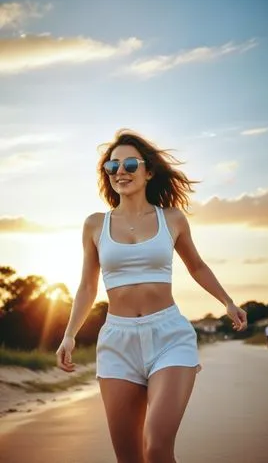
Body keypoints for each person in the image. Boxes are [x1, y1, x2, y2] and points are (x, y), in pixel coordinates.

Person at [56, 129, 247, 463]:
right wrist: (69, 335)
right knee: (129, 457)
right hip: (117, 342)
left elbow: (197, 266)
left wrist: (227, 301)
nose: (120, 171)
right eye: (112, 166)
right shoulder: (94, 225)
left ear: (149, 171)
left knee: (157, 446)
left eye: (130, 163)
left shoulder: (171, 218)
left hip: (169, 337)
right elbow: (88, 286)